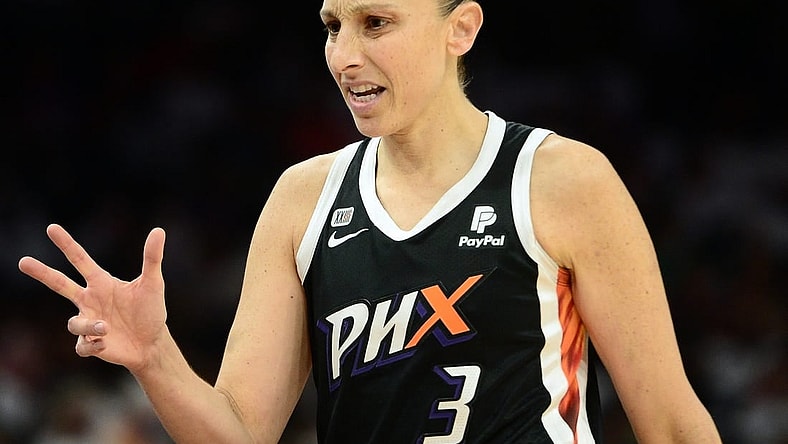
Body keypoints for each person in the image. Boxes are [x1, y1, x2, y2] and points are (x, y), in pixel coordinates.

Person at [18, 0, 722, 442]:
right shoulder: (303, 198)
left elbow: (669, 422)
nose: (345, 55)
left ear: (461, 28)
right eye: (332, 25)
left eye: (376, 22)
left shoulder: (564, 180)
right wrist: (156, 358)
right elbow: (238, 434)